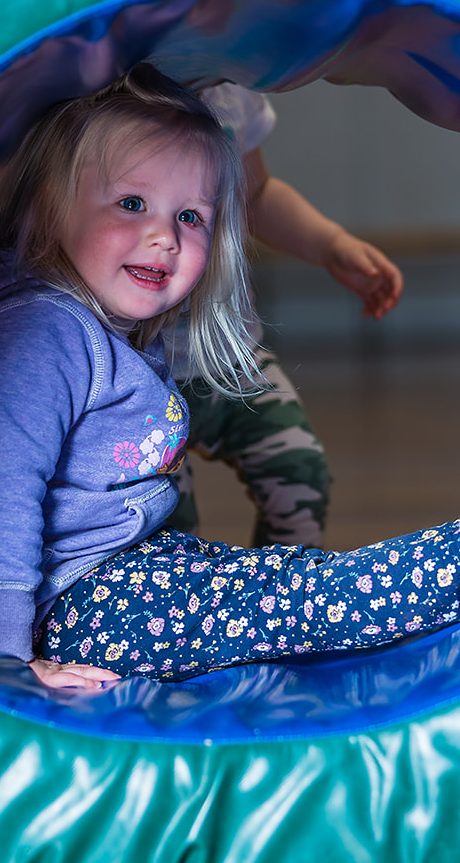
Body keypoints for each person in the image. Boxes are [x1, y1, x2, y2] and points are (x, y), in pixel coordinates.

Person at [0, 64, 460, 692]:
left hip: (114, 582)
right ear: (46, 208)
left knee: (292, 588)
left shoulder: (75, 317)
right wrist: (2, 671)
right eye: (130, 203)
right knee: (307, 600)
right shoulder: (37, 335)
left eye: (192, 216)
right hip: (77, 611)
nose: (163, 235)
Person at [168, 82, 402, 546]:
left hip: (230, 353)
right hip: (136, 371)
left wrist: (330, 244)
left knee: (300, 471)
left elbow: (256, 195)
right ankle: (174, 612)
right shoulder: (111, 87)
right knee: (165, 521)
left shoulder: (232, 92)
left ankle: (279, 601)